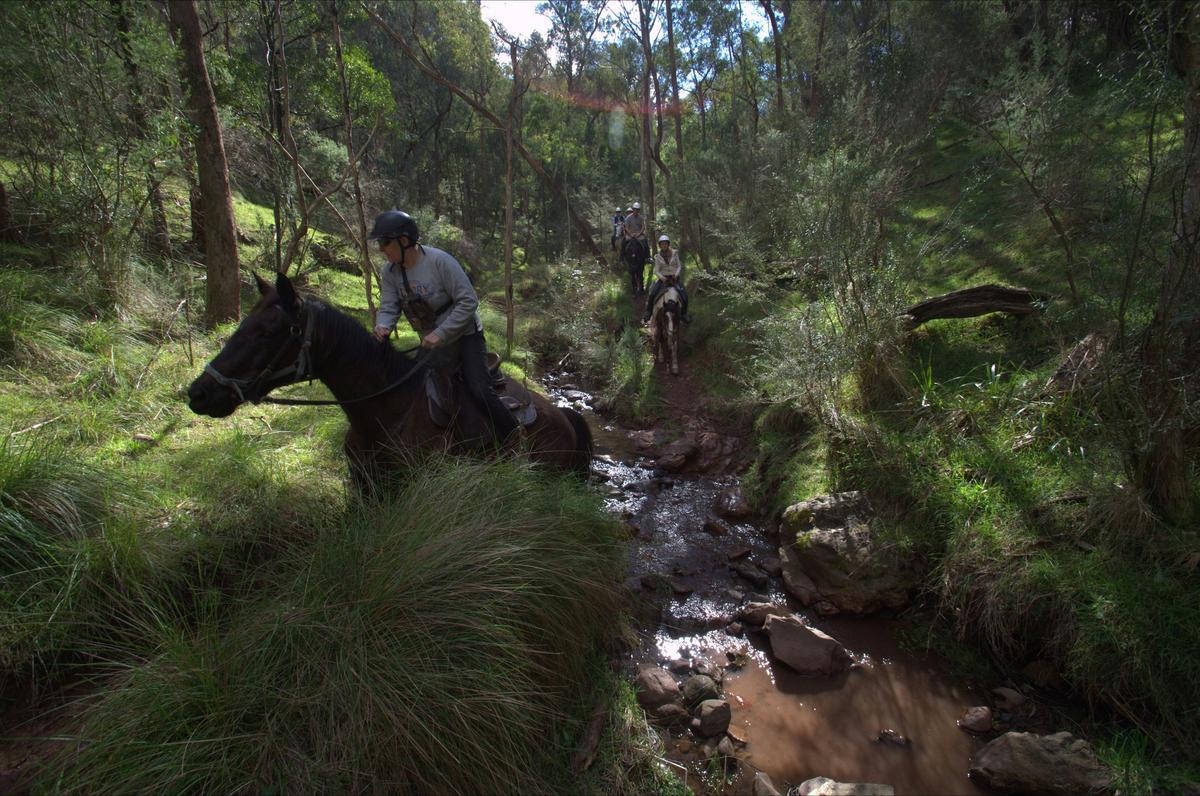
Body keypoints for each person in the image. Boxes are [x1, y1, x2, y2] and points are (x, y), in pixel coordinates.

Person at [368, 210, 518, 444]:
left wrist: (441, 333)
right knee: (414, 388)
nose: (381, 249)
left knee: (479, 390)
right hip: (432, 342)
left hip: (466, 336)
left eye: (385, 242)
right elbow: (389, 306)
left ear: (404, 241)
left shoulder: (440, 261)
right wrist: (383, 326)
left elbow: (468, 301)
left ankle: (515, 436)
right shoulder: (389, 272)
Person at [643, 233, 691, 324]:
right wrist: (662, 278)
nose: (664, 245)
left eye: (665, 244)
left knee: (684, 295)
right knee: (653, 294)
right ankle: (648, 312)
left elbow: (679, 266)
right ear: (660, 245)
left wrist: (676, 275)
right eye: (662, 244)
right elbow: (656, 271)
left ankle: (684, 314)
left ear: (668, 244)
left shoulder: (674, 253)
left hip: (674, 278)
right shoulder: (657, 257)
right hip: (663, 279)